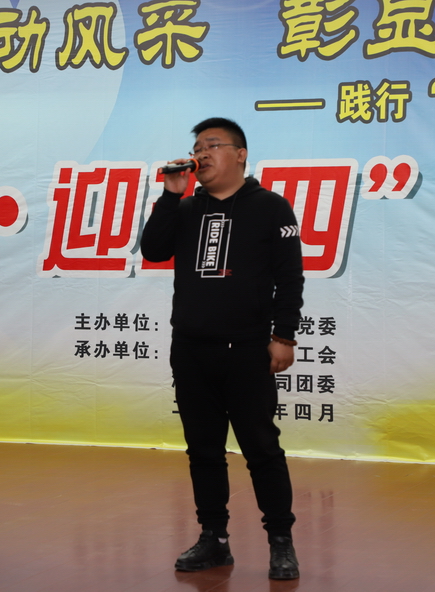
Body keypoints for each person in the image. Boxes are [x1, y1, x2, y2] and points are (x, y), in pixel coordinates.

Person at [140, 117, 303, 580]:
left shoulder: (271, 207)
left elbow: (290, 277)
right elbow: (153, 250)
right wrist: (171, 195)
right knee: (203, 451)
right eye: (197, 148)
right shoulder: (187, 208)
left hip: (248, 349)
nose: (201, 154)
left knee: (261, 448)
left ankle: (281, 541)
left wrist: (283, 336)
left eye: (212, 145)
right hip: (191, 349)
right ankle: (214, 539)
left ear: (240, 154)